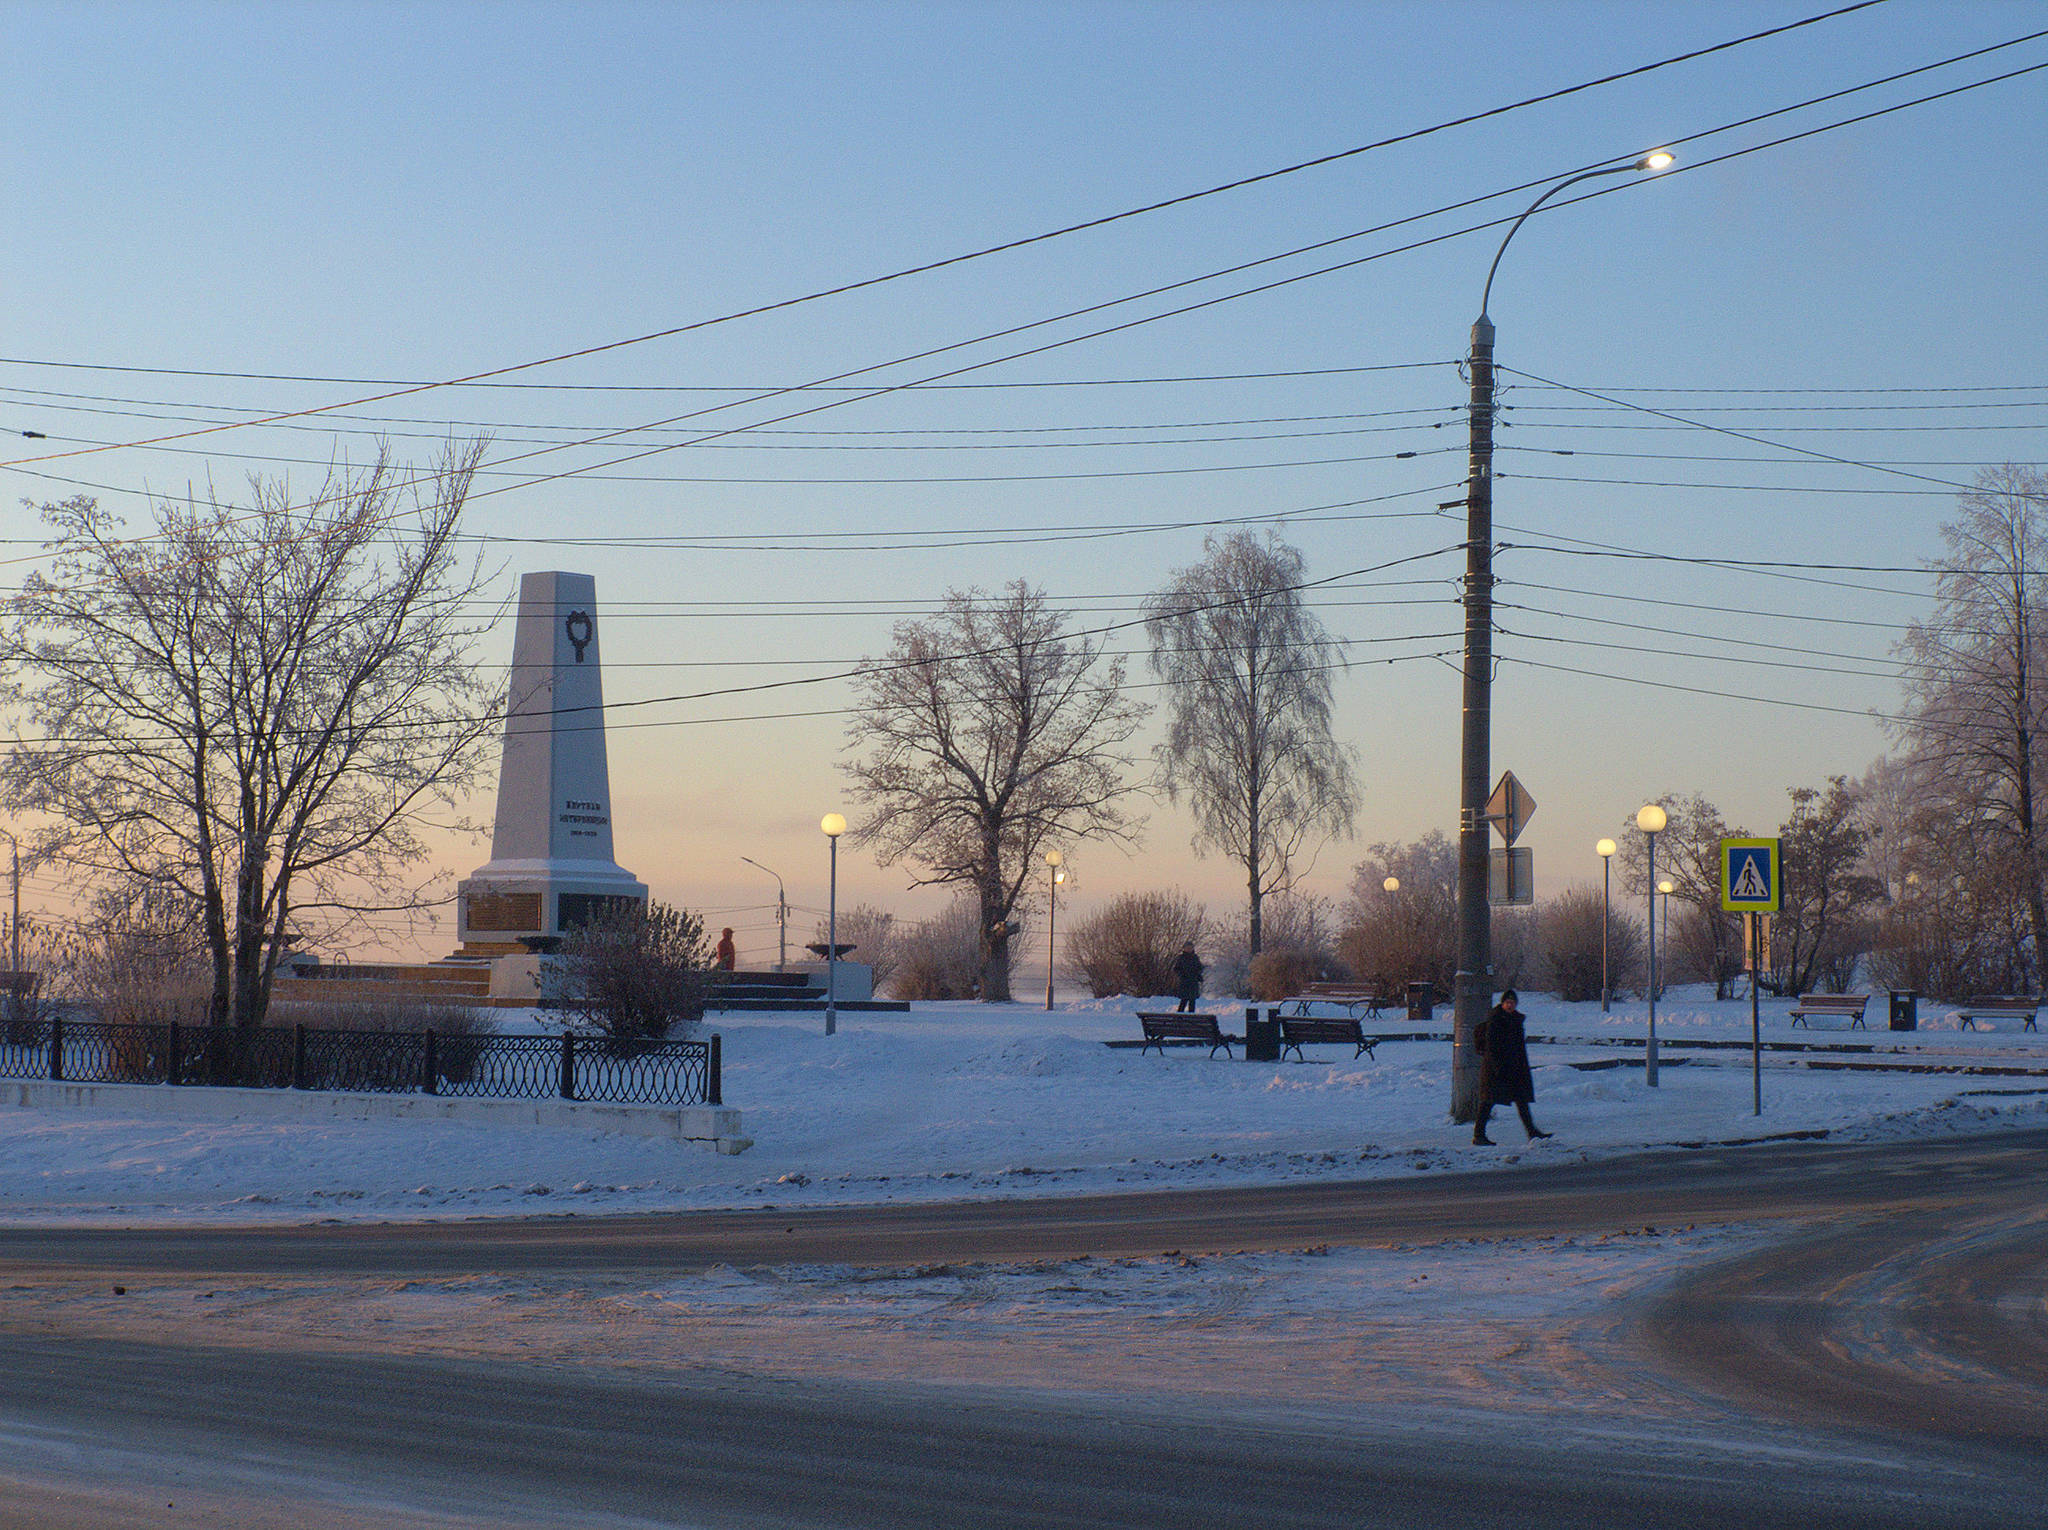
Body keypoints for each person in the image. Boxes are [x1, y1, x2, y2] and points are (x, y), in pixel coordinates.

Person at [1472, 989, 1551, 1145]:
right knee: (1488, 1101)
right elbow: (1492, 1047)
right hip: (1497, 1070)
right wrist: (1498, 1068)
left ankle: (1532, 1133)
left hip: (1514, 1069)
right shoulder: (1496, 1020)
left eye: (1512, 1003)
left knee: (1521, 1101)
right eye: (1507, 1003)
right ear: (1502, 1003)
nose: (1510, 1005)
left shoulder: (1515, 1020)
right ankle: (1478, 1135)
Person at [1172, 942, 1205, 1014]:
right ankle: (1179, 1017)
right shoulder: (1181, 958)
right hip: (1184, 982)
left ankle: (1191, 1017)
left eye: (1191, 948)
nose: (1189, 949)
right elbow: (1176, 969)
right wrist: (1182, 974)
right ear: (1184, 948)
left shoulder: (1195, 957)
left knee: (1192, 1001)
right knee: (1183, 1001)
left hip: (1193, 982)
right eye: (1187, 948)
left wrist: (1198, 974)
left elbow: (1200, 968)